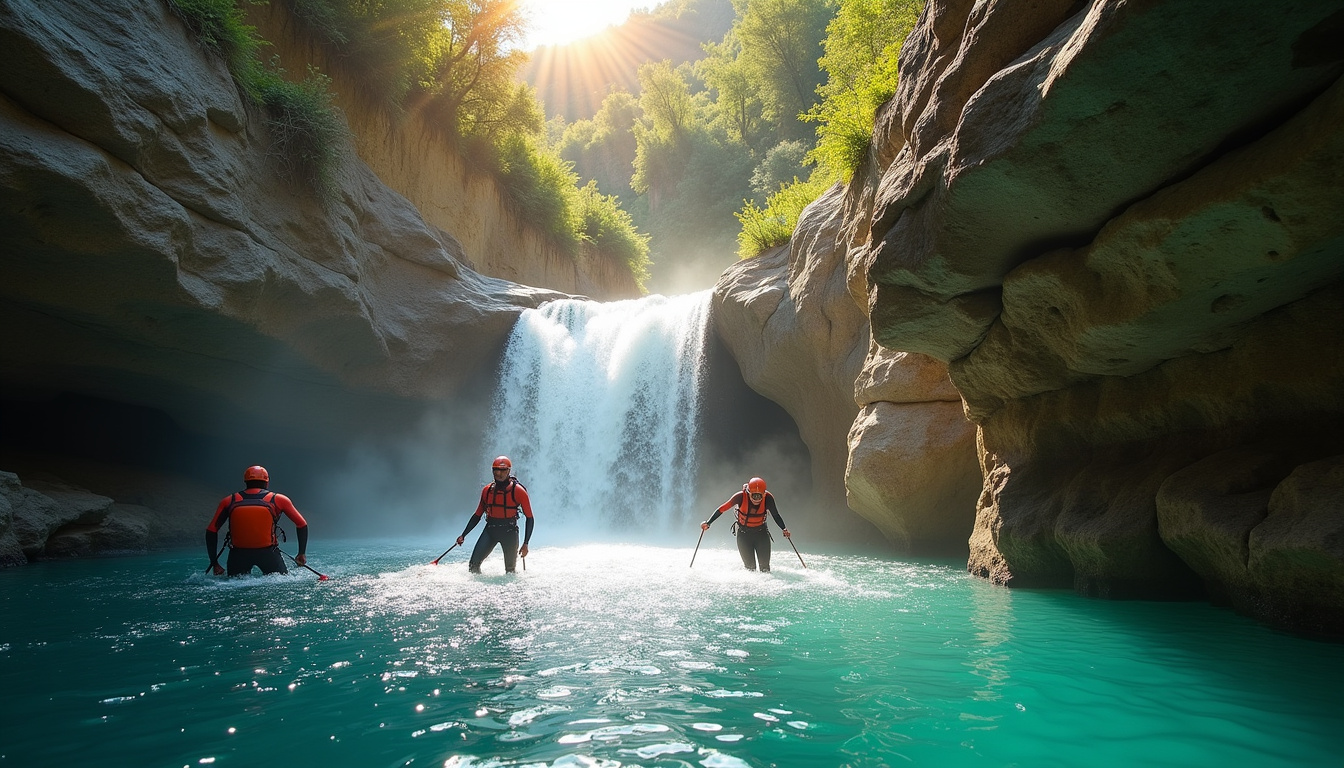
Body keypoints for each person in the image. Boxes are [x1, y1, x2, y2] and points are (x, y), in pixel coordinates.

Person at [205, 465, 308, 576]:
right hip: (268, 554)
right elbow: (301, 524)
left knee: (236, 583)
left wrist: (214, 563)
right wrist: (301, 553)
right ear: (267, 482)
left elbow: (211, 530)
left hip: (238, 555)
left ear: (246, 481)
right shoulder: (279, 500)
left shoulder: (229, 501)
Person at [455, 456, 534, 573]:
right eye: (496, 470)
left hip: (509, 532)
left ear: (508, 471)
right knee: (473, 565)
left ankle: (510, 591)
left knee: (510, 571)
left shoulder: (518, 491)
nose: (499, 474)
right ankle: (479, 590)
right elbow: (477, 515)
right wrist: (463, 535)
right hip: (490, 530)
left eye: (503, 470)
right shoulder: (487, 491)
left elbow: (530, 518)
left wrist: (526, 543)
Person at [701, 477, 790, 572]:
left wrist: (784, 529)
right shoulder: (739, 497)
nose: (757, 499)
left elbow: (775, 515)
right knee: (750, 569)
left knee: (765, 569)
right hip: (744, 535)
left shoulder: (768, 498)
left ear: (764, 494)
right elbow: (722, 509)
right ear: (748, 492)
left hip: (761, 534)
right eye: (754, 496)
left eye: (759, 496)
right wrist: (708, 523)